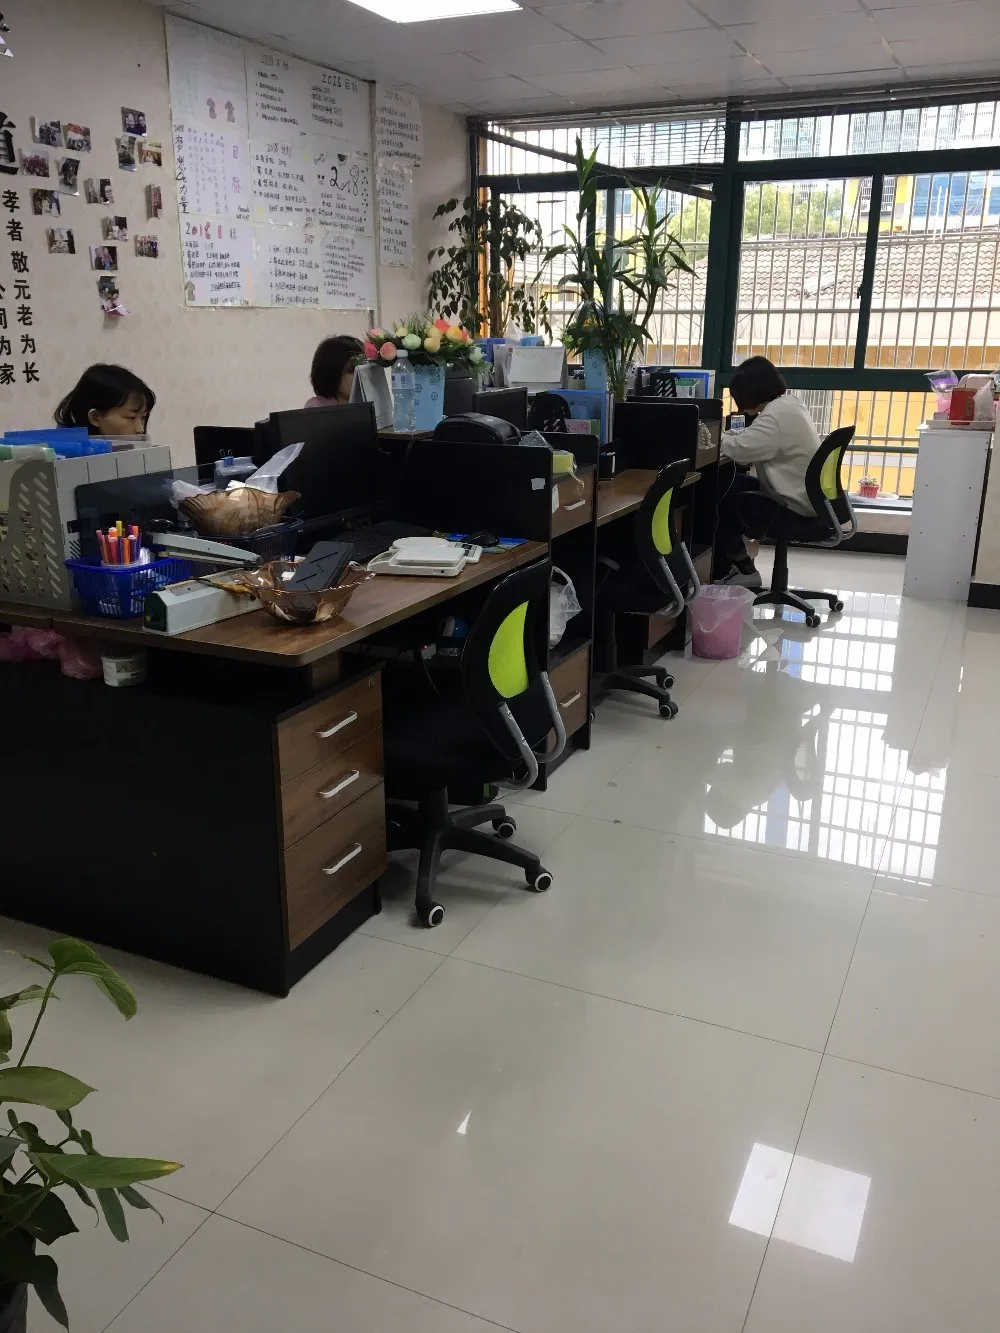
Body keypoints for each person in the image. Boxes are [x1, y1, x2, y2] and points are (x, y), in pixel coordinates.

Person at [715, 356, 821, 588]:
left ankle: (742, 568)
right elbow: (752, 438)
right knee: (730, 481)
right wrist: (731, 436)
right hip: (805, 496)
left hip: (792, 506)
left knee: (717, 495)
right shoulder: (790, 404)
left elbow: (740, 450)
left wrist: (713, 436)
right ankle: (739, 565)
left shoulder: (773, 418)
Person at [54, 363, 155, 436]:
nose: (140, 429)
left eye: (143, 417)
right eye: (130, 417)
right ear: (95, 417)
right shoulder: (61, 455)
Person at [305, 334, 363, 409]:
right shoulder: (317, 408)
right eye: (352, 370)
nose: (361, 375)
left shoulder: (370, 401)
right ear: (332, 374)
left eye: (363, 369)